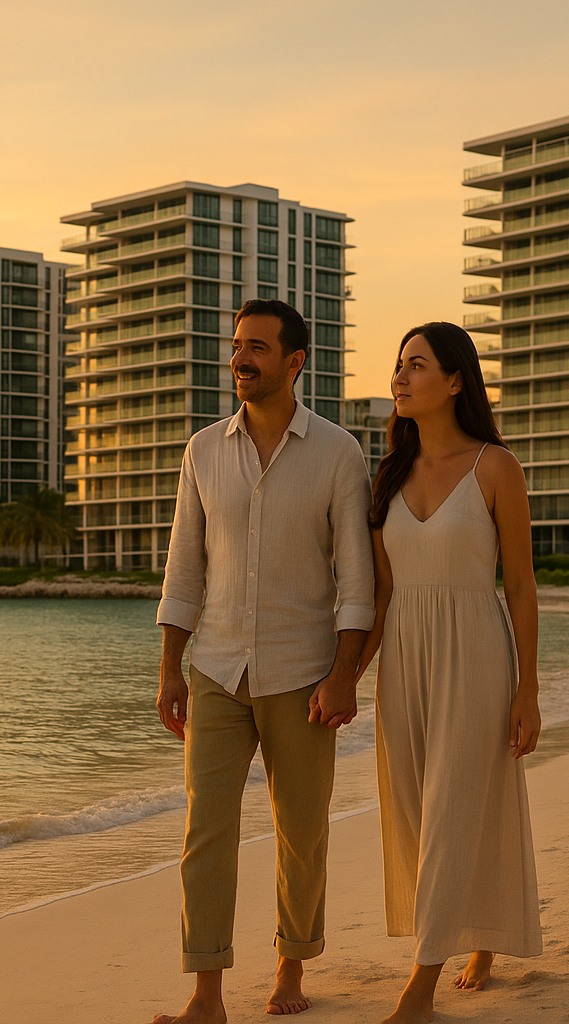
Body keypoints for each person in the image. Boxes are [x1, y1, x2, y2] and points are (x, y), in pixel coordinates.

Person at [153, 299, 375, 1023]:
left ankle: (290, 967)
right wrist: (169, 669)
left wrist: (343, 676)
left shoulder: (339, 453)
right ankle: (207, 994)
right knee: (204, 834)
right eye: (237, 345)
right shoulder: (202, 450)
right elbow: (184, 567)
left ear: (294, 361)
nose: (240, 358)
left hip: (303, 673)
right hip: (215, 669)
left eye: (257, 347)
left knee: (301, 831)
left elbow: (356, 578)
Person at [356, 321, 543, 1024]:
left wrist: (527, 689)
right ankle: (478, 936)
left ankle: (419, 989)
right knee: (413, 813)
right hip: (403, 655)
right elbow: (379, 596)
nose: (399, 379)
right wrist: (346, 675)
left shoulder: (496, 467)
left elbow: (520, 586)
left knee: (454, 810)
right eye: (398, 366)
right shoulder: (390, 474)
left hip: (475, 650)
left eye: (416, 365)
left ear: (457, 380)